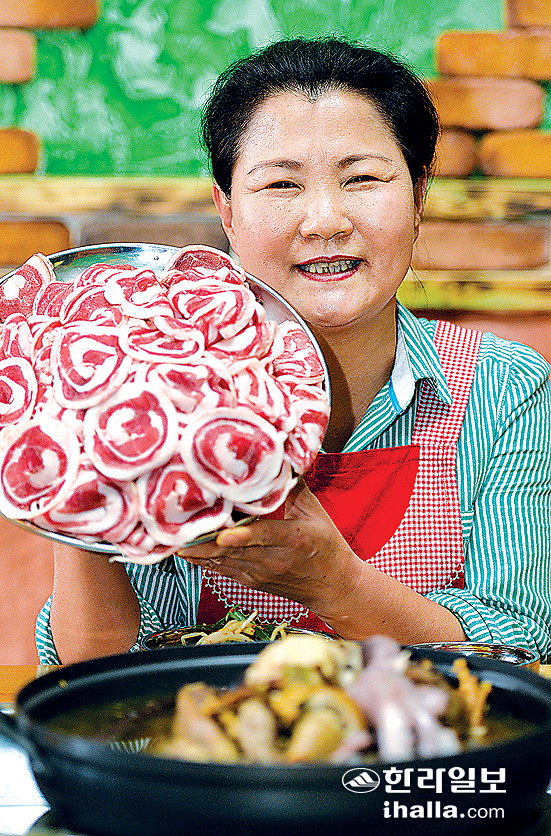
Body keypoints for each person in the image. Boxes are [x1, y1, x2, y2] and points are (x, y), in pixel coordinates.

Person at [36, 37, 551, 665]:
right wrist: (74, 446)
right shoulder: (156, 396)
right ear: (227, 210)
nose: (325, 221)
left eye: (362, 179)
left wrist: (334, 582)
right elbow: (92, 675)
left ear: (418, 195)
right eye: (282, 184)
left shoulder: (507, 390)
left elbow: (520, 650)